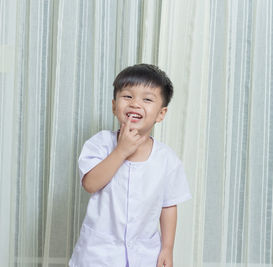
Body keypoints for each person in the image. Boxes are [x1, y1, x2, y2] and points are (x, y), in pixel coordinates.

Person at [69, 64, 192, 267]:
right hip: (98, 255)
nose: (135, 103)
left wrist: (167, 248)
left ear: (161, 114)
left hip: (145, 255)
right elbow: (90, 184)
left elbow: (169, 205)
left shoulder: (167, 159)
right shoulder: (99, 144)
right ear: (114, 106)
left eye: (147, 99)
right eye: (127, 96)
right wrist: (121, 150)